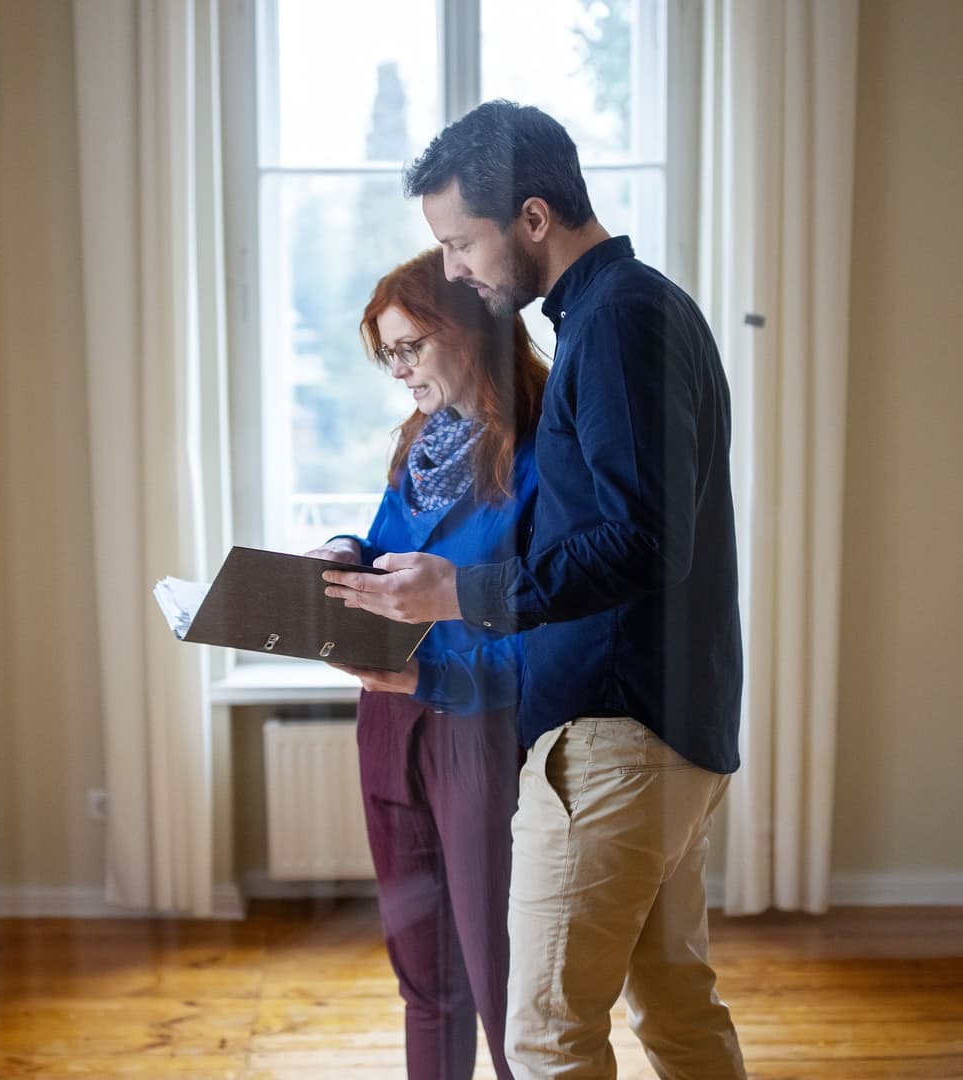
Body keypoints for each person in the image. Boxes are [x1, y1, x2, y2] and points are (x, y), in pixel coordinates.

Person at [323, 101, 748, 1078]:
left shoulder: (618, 323)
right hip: (662, 729)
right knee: (680, 1015)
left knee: (547, 1040)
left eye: (460, 242)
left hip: (614, 738)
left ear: (533, 218)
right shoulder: (632, 313)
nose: (459, 270)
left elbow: (640, 541)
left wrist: (461, 596)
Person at [305, 246, 550, 1080]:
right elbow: (387, 548)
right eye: (390, 354)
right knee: (425, 982)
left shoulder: (548, 454)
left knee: (502, 986)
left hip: (482, 734)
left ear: (471, 330)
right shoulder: (425, 440)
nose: (401, 370)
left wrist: (431, 675)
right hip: (389, 724)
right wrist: (344, 550)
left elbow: (555, 627)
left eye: (411, 347)